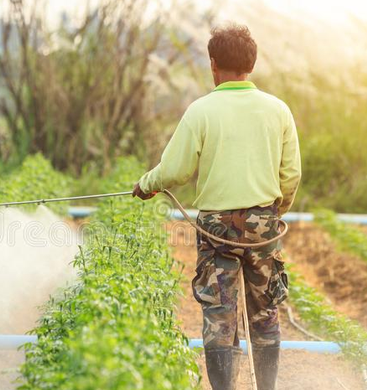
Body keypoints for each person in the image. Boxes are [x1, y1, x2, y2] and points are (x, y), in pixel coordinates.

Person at [132, 24, 301, 390]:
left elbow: (175, 169)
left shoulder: (201, 111)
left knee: (220, 320)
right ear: (251, 64)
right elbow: (291, 175)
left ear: (213, 64)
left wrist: (146, 185)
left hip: (215, 229)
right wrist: (274, 213)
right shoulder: (278, 110)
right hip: (263, 224)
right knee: (266, 313)